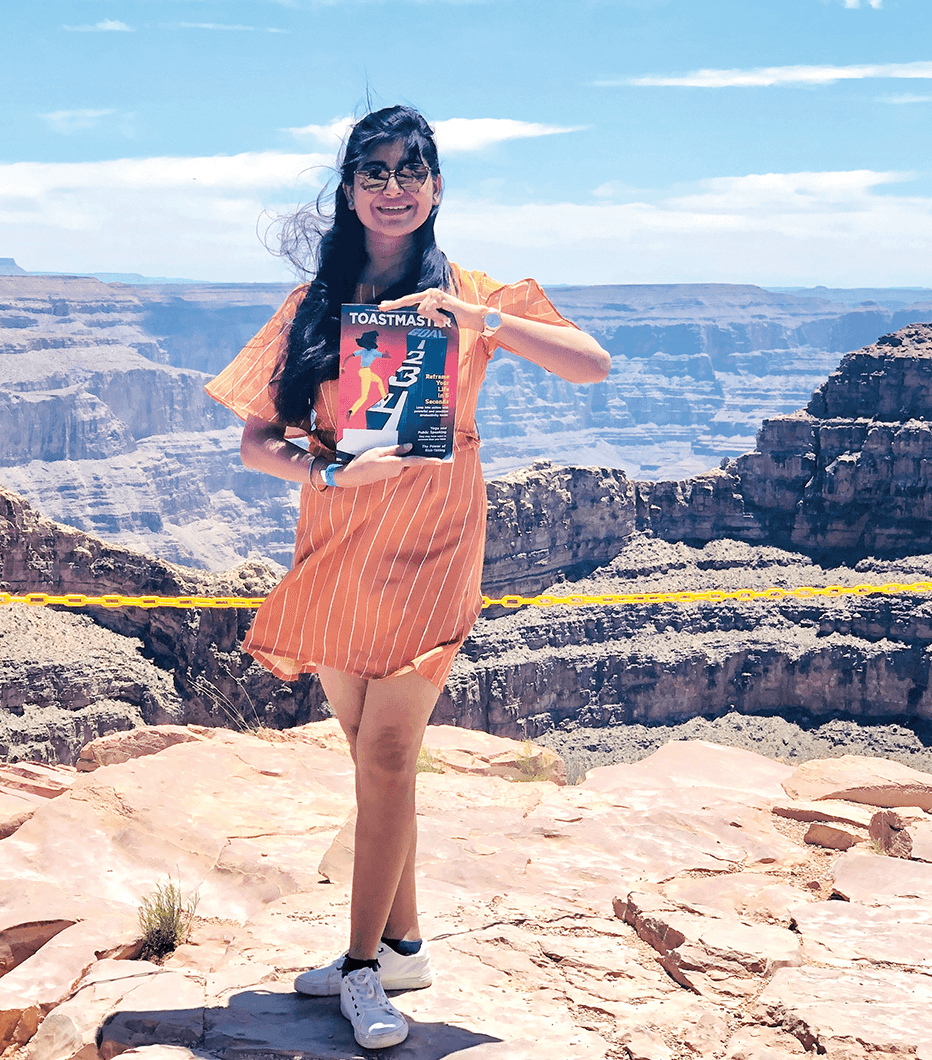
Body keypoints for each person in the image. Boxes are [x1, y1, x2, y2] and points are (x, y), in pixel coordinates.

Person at [204, 104, 609, 1050]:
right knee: (367, 760)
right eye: (374, 171)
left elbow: (592, 366)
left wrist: (483, 321)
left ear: (436, 187)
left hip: (434, 540)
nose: (394, 187)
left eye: (410, 170)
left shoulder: (470, 291)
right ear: (349, 191)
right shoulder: (315, 307)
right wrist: (333, 468)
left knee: (387, 758)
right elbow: (257, 442)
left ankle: (357, 973)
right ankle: (405, 943)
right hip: (342, 536)